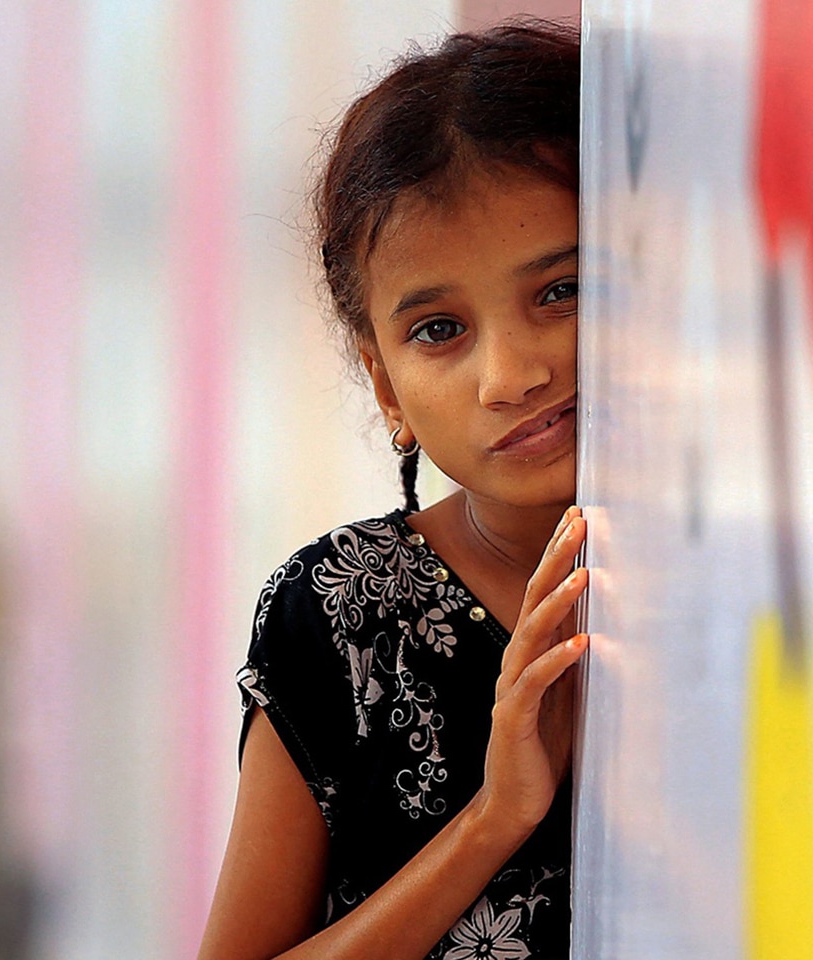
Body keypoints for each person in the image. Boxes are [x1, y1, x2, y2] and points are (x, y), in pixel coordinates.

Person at [197, 22, 586, 960]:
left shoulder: (731, 577)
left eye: (561, 291)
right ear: (385, 387)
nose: (511, 373)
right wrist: (493, 820)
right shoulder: (337, 615)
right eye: (441, 329)